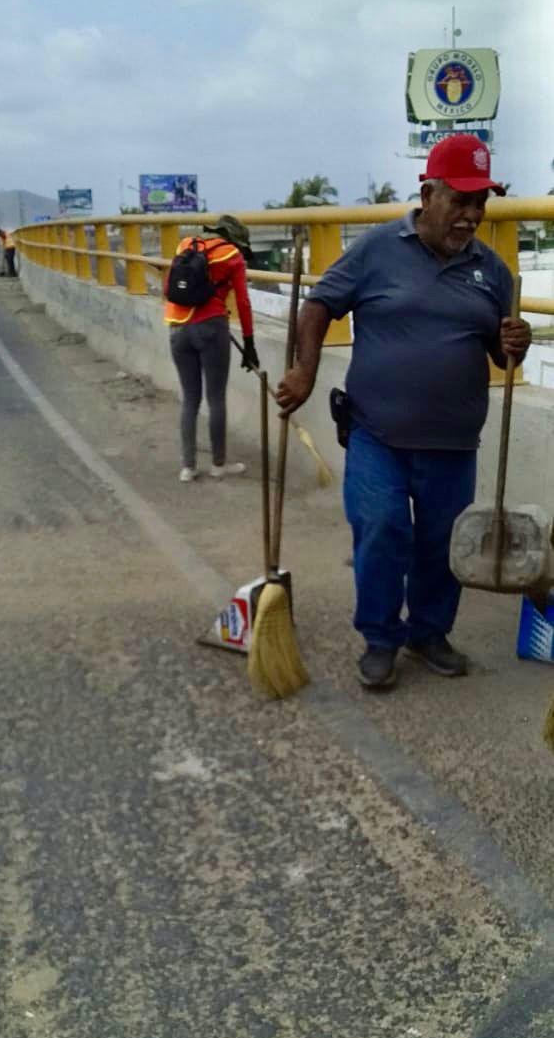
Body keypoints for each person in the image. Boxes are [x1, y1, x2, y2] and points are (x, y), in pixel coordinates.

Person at [276, 136, 532, 689]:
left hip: (454, 442)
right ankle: (380, 637)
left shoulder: (493, 272)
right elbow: (319, 305)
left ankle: (429, 632)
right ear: (427, 193)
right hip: (377, 432)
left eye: (480, 203)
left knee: (442, 542)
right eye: (460, 201)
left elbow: (499, 356)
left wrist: (518, 341)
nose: (471, 216)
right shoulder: (377, 249)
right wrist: (304, 370)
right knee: (382, 527)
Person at [164, 214, 259, 482]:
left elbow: (168, 288)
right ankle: (218, 465)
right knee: (215, 398)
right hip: (211, 328)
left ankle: (188, 467)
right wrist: (249, 343)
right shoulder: (233, 256)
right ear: (234, 239)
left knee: (190, 399)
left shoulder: (186, 245)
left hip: (177, 327)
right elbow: (243, 302)